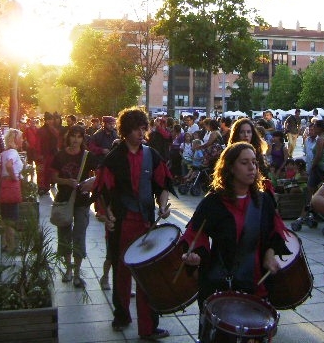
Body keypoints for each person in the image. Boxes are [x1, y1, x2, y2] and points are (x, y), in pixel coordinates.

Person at [179, 142, 291, 310]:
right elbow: (194, 237)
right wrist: (195, 257)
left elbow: (275, 233)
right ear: (230, 167)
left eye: (254, 162)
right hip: (221, 287)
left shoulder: (264, 200)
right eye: (244, 163)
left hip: (256, 286)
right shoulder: (213, 203)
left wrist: (269, 254)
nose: (251, 167)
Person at [94, 107, 173, 340]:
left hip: (146, 223)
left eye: (143, 128)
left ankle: (148, 327)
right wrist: (106, 215)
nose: (141, 133)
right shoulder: (114, 158)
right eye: (136, 129)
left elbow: (164, 183)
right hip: (121, 224)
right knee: (122, 272)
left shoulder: (151, 154)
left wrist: (163, 204)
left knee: (147, 275)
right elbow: (102, 190)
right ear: (125, 131)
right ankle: (122, 315)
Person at [50, 125, 99, 288]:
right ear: (68, 137)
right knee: (64, 234)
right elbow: (53, 177)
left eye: (79, 137)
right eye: (73, 136)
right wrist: (66, 182)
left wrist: (91, 183)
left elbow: (98, 174)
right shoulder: (60, 156)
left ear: (83, 139)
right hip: (64, 199)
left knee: (79, 235)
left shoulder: (87, 156)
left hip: (82, 201)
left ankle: (77, 272)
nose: (76, 140)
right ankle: (68, 269)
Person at [0, 128, 24, 252]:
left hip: (4, 185)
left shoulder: (5, 152)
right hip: (11, 185)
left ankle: (4, 243)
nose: (23, 140)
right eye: (21, 138)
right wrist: (14, 176)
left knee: (5, 216)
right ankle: (12, 246)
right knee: (12, 217)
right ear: (15, 139)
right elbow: (9, 165)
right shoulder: (13, 152)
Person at [36, 112, 60, 195]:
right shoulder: (41, 131)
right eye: (48, 120)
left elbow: (57, 141)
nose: (50, 121)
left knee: (48, 171)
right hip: (43, 154)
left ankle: (46, 187)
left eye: (51, 119)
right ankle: (41, 187)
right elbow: (38, 143)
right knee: (41, 172)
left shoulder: (54, 130)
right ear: (45, 121)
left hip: (51, 153)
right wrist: (39, 154)